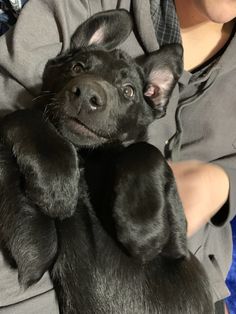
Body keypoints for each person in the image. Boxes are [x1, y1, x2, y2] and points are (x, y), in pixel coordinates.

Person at [0, 0, 235, 313]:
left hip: (194, 287)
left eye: (128, 91)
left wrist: (223, 180)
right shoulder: (81, 7)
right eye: (80, 68)